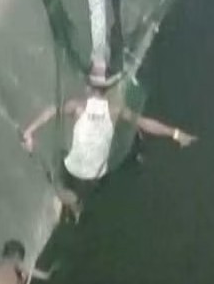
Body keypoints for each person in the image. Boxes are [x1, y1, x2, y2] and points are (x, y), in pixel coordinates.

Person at [22, 78, 197, 220]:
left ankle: (73, 203)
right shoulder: (112, 110)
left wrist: (30, 131)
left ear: (89, 89)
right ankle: (74, 204)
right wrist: (174, 133)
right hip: (93, 167)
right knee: (74, 192)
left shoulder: (79, 106)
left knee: (66, 189)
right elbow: (144, 123)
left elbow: (52, 111)